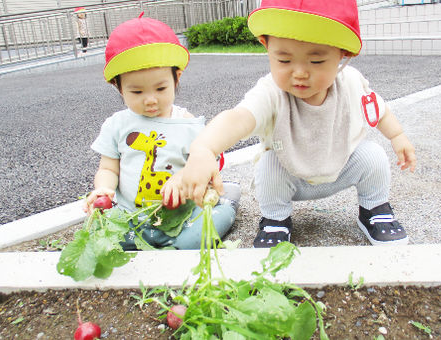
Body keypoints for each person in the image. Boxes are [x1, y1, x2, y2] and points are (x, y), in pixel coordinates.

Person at [178, 0, 417, 248]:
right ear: (266, 46)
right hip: (291, 175)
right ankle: (276, 220)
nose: (300, 72)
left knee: (373, 156)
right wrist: (204, 149)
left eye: (316, 61)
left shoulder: (351, 84)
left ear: (342, 55)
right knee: (268, 167)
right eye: (284, 60)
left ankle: (374, 209)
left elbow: (380, 110)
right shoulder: (271, 93)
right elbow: (238, 118)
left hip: (341, 166)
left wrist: (397, 136)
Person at [84, 13, 240, 250]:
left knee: (207, 227)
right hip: (133, 220)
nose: (150, 100)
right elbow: (107, 168)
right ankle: (151, 243)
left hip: (183, 217)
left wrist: (183, 178)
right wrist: (103, 188)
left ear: (177, 78)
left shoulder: (189, 124)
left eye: (160, 88)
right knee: (100, 232)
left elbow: (210, 165)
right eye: (136, 92)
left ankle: (225, 205)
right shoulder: (116, 125)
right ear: (117, 86)